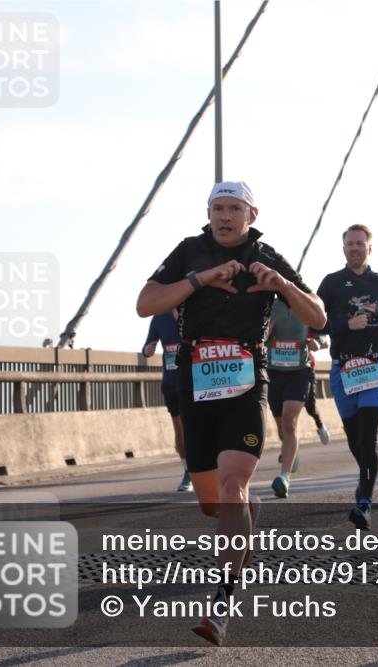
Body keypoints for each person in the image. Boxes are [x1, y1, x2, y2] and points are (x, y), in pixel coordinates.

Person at [136, 181, 326, 646]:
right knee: (213, 503)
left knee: (234, 482)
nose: (224, 216)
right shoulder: (189, 251)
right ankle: (244, 517)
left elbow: (318, 316)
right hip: (196, 382)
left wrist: (281, 285)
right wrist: (199, 280)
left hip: (246, 380)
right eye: (217, 208)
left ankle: (220, 602)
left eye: (233, 208)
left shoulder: (268, 255)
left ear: (251, 214)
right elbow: (145, 304)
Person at [317, 224, 378, 531]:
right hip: (343, 370)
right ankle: (365, 483)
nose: (354, 248)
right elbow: (315, 321)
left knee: (368, 439)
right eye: (349, 244)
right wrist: (343, 324)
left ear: (370, 248)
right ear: (344, 248)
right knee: (356, 440)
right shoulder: (330, 284)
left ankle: (364, 505)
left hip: (374, 367)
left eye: (360, 243)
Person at [265, 299, 320, 498]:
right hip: (273, 373)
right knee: (282, 427)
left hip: (299, 372)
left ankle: (284, 477)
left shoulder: (306, 302)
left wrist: (318, 342)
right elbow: (254, 337)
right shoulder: (269, 306)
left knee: (289, 422)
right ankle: (291, 452)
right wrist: (264, 333)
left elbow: (324, 333)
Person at [142, 308, 190, 491]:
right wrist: (148, 349)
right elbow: (147, 346)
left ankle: (208, 467)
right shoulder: (159, 317)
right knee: (180, 429)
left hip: (197, 381)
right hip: (172, 382)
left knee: (198, 428)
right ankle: (188, 471)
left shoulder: (195, 310)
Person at [303, 331, 331, 444]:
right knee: (281, 412)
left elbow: (325, 341)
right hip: (278, 370)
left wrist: (317, 342)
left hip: (304, 368)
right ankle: (286, 448)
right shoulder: (276, 316)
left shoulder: (306, 317)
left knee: (310, 406)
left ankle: (320, 425)